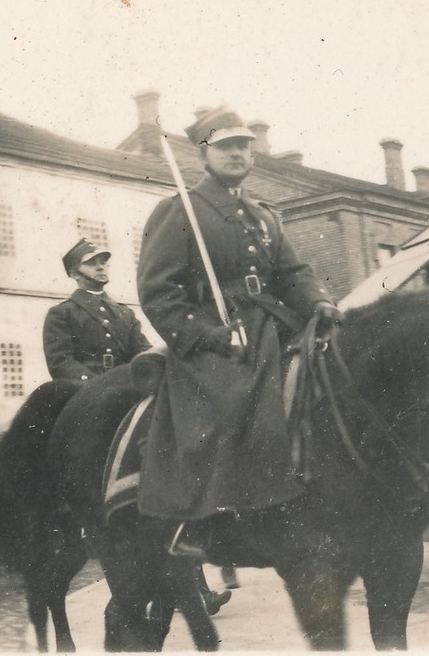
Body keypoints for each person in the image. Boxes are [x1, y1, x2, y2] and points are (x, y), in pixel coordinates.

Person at [136, 105, 342, 558]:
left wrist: (320, 301)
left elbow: (295, 273)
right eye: (225, 146)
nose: (237, 154)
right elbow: (159, 294)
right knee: (233, 397)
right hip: (217, 337)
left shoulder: (265, 216)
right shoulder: (181, 211)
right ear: (204, 155)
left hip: (274, 324)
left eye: (243, 146)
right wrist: (211, 335)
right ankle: (204, 524)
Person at [43, 238, 152, 382]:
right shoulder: (62, 313)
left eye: (102, 262)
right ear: (74, 274)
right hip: (83, 390)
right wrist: (96, 386)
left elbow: (142, 351)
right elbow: (60, 362)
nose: (100, 267)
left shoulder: (125, 313)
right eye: (91, 263)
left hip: (124, 388)